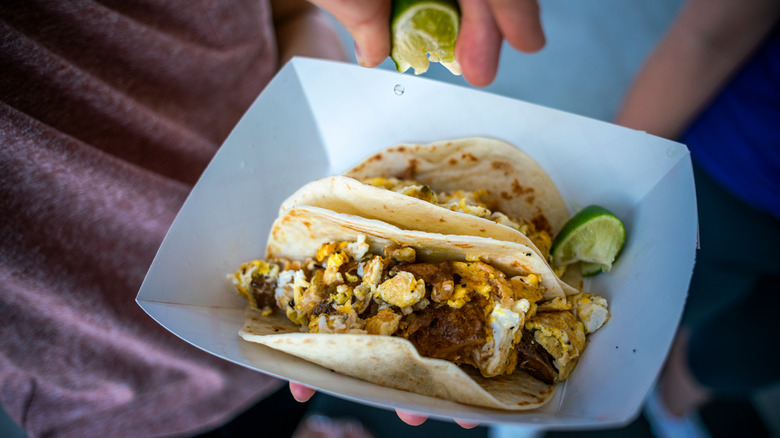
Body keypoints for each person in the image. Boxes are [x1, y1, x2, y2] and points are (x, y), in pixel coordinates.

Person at [0, 1, 346, 436]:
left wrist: (335, 154)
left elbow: (297, 15)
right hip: (124, 404)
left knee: (288, 414)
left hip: (302, 333)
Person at [614, 0, 780, 435]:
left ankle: (669, 409)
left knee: (743, 360)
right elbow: (707, 37)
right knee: (649, 313)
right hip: (733, 183)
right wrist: (617, 181)